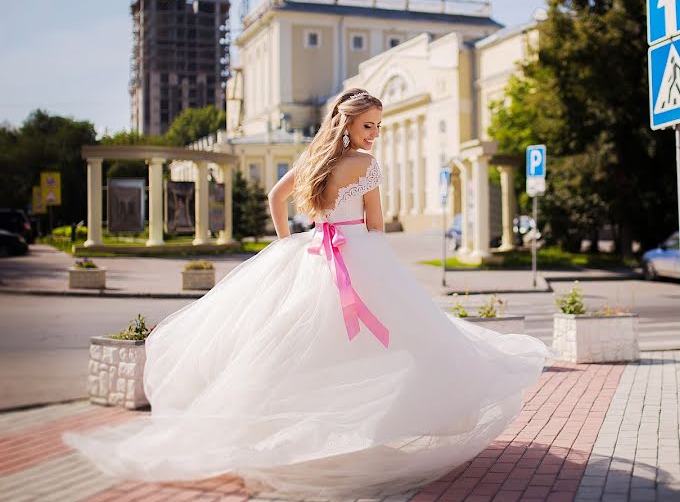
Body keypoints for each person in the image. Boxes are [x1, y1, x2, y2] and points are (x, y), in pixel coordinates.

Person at [62, 88, 556, 499]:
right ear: (348, 126)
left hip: (314, 255)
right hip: (357, 254)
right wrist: (369, 249)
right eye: (369, 127)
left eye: (377, 127)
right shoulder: (364, 164)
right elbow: (376, 222)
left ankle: (310, 434)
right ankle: (354, 433)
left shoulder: (314, 158)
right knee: (394, 341)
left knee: (297, 346)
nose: (374, 135)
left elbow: (279, 198)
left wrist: (290, 242)